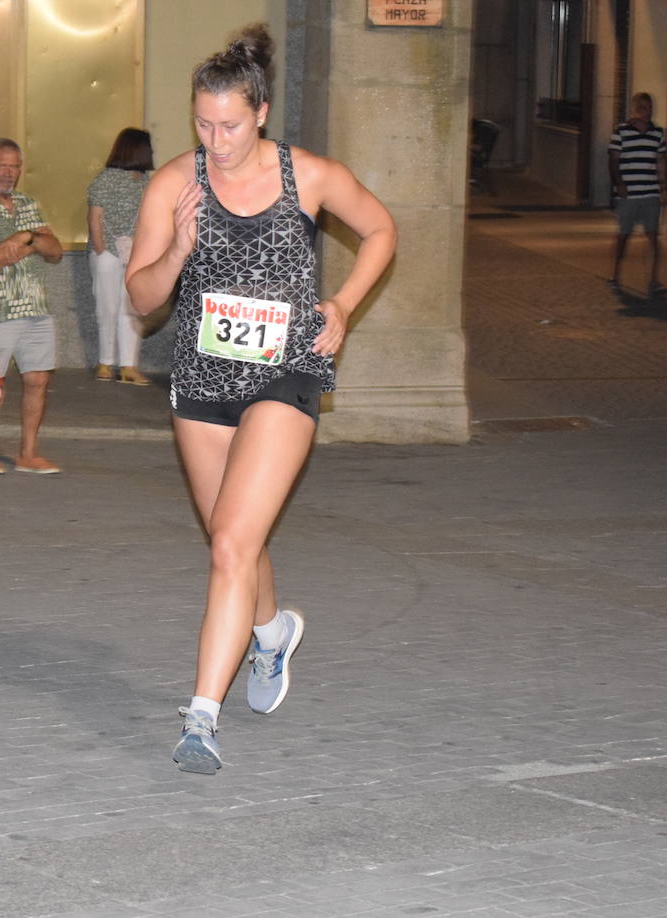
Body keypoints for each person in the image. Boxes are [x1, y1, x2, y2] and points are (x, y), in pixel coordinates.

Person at [125, 24, 396, 774]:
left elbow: (380, 229)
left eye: (231, 125)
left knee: (228, 545)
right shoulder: (174, 183)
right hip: (203, 380)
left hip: (287, 371)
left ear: (262, 113)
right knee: (233, 538)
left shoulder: (308, 175)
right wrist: (177, 252)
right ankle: (271, 632)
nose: (215, 140)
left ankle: (200, 718)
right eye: (202, 124)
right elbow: (141, 297)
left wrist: (342, 303)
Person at [0, 138, 64, 475]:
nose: (9, 173)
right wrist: (27, 242)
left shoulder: (27, 203)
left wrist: (26, 238)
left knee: (38, 380)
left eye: (15, 166)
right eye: (3, 165)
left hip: (36, 306)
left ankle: (28, 453)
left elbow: (55, 250)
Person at [88, 128, 154, 386]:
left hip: (134, 255)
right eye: (149, 148)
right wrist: (101, 249)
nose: (152, 153)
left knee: (130, 309)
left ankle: (127, 366)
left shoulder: (148, 182)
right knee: (108, 307)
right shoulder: (105, 180)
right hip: (110, 253)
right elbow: (95, 217)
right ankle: (106, 362)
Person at [607, 92, 667, 297]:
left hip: (650, 191)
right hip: (629, 193)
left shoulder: (657, 133)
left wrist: (663, 187)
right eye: (642, 108)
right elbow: (614, 160)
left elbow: (660, 161)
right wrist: (619, 184)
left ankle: (653, 280)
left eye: (649, 108)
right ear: (633, 109)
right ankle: (615, 275)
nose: (646, 112)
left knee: (652, 235)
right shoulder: (621, 131)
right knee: (623, 234)